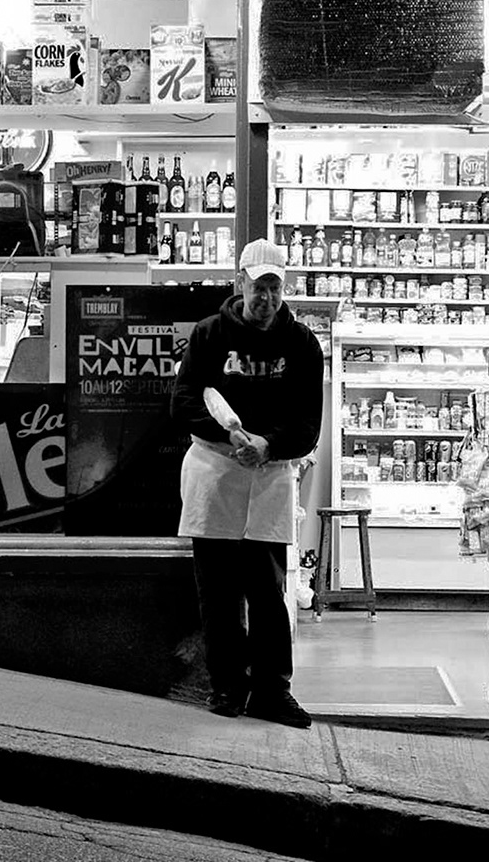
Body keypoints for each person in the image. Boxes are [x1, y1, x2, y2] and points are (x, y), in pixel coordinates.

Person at [169, 237, 325, 728]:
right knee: (218, 594)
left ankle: (273, 692)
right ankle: (227, 687)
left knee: (268, 593)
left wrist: (268, 445)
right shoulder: (209, 334)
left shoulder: (303, 345)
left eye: (275, 288)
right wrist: (229, 434)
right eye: (259, 287)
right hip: (214, 474)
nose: (267, 298)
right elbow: (184, 403)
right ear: (240, 283)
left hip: (270, 478)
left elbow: (308, 425)